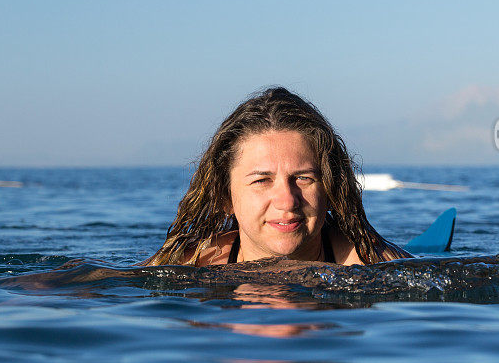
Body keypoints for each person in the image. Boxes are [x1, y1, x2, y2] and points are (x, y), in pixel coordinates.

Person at [141, 87, 412, 267]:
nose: (287, 201)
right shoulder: (186, 266)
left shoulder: (372, 266)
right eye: (261, 180)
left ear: (330, 190)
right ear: (225, 198)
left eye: (303, 178)